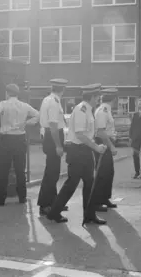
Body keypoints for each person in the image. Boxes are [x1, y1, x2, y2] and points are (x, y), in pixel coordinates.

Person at [46, 84, 107, 224]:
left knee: (90, 183)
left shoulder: (88, 110)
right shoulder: (81, 109)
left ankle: (90, 215)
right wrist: (97, 147)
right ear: (92, 97)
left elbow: (87, 134)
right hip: (78, 151)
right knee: (72, 183)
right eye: (97, 97)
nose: (98, 100)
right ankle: (54, 213)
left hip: (85, 151)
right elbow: (80, 135)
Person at [0, 83, 40, 206]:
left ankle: (1, 199)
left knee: (3, 170)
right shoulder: (24, 105)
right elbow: (38, 115)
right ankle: (22, 197)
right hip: (20, 139)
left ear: (7, 93)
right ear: (17, 94)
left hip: (5, 139)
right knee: (20, 170)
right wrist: (27, 123)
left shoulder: (3, 104)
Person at [37, 78, 68, 216]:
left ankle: (53, 201)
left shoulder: (47, 99)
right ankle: (45, 204)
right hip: (53, 136)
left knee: (53, 172)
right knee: (52, 173)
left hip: (49, 135)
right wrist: (58, 146)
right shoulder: (54, 102)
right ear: (63, 89)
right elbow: (54, 126)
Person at [94, 88, 118, 210]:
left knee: (109, 172)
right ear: (113, 99)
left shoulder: (106, 109)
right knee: (102, 173)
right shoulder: (103, 111)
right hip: (103, 144)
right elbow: (101, 132)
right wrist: (111, 146)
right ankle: (97, 201)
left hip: (106, 142)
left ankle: (105, 198)